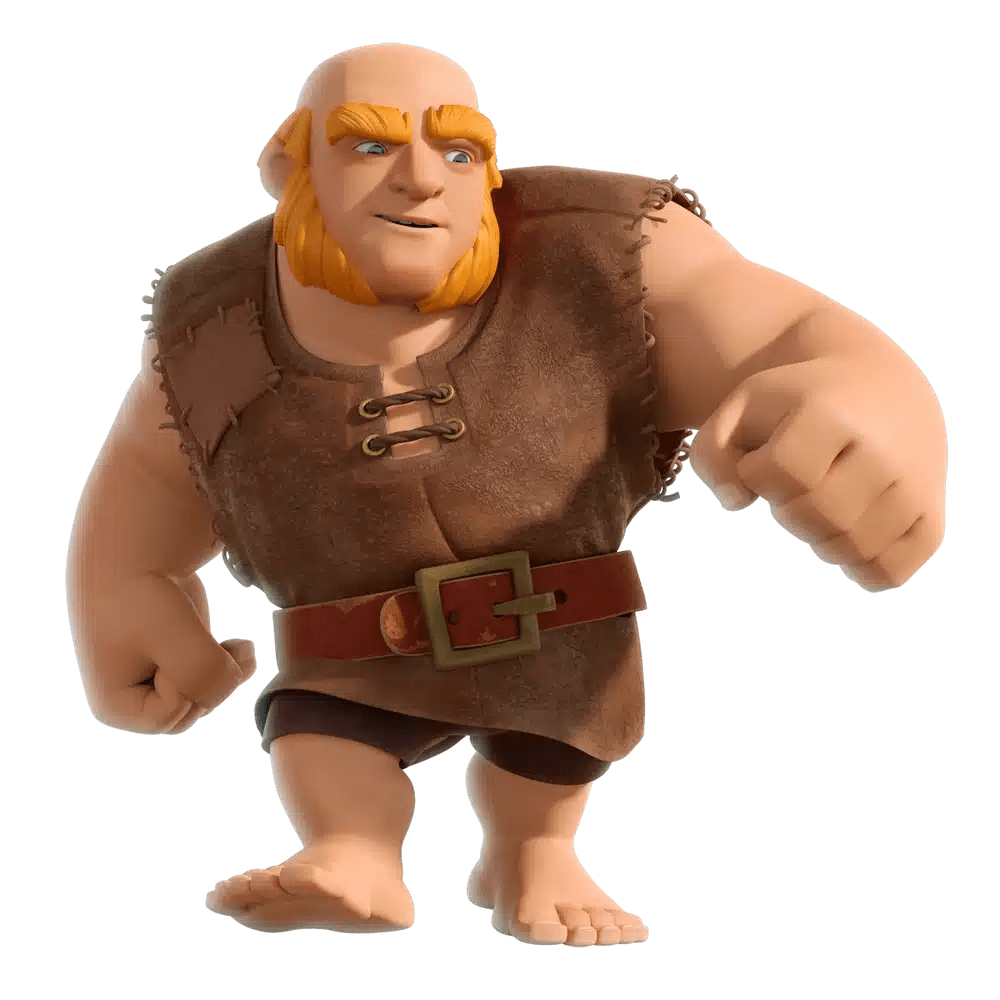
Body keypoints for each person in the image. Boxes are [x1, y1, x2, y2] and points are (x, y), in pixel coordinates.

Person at [65, 42, 948, 948]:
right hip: (349, 642)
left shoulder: (599, 253)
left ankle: (534, 853)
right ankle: (352, 850)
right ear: (291, 165)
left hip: (557, 631)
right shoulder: (216, 320)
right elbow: (149, 464)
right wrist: (123, 585)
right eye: (370, 145)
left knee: (552, 750)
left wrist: (872, 396)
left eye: (457, 150)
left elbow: (776, 324)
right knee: (323, 732)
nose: (420, 179)